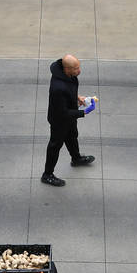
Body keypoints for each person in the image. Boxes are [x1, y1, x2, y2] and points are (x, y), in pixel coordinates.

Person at [41, 54, 95, 187]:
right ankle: (47, 175)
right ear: (67, 69)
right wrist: (84, 112)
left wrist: (77, 97)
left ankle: (76, 158)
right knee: (55, 146)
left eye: (79, 66)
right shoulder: (58, 88)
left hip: (69, 116)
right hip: (59, 120)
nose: (79, 70)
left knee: (72, 136)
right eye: (76, 68)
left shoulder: (68, 76)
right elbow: (62, 113)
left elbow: (69, 90)